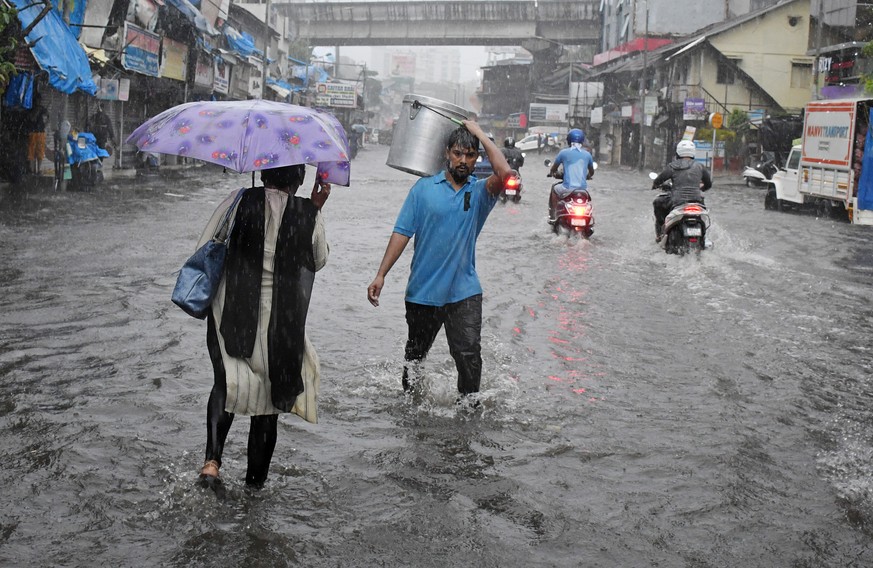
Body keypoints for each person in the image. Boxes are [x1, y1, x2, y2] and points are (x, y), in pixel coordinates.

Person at [197, 164, 331, 491]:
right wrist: (314, 210)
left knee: (224, 384)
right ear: (299, 180)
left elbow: (206, 246)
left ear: (264, 172)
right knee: (267, 407)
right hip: (279, 322)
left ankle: (212, 464)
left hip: (232, 311)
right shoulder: (306, 212)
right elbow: (319, 259)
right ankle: (253, 491)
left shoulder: (238, 200)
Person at [366, 121, 513, 404]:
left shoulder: (481, 192)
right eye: (458, 153)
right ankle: (411, 412)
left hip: (464, 292)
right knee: (414, 360)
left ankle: (468, 412)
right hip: (423, 292)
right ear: (447, 153)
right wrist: (381, 274)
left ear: (476, 159)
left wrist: (480, 134)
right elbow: (402, 233)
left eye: (470, 155)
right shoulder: (422, 189)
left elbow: (505, 173)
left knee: (469, 357)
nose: (463, 160)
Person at [651, 140, 712, 241]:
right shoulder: (700, 166)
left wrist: (655, 185)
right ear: (693, 152)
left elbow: (658, 180)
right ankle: (704, 238)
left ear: (678, 152)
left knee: (657, 203)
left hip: (677, 202)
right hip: (697, 201)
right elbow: (708, 184)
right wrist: (700, 189)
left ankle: (660, 234)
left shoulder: (672, 166)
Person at [548, 128, 595, 221]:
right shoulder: (587, 155)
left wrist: (552, 173)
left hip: (567, 188)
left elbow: (554, 168)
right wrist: (588, 176)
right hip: (582, 190)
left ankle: (553, 214)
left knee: (554, 188)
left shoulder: (563, 153)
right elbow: (592, 172)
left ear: (569, 140)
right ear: (582, 140)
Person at [26, 99, 48, 175]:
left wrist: (45, 126)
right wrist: (36, 112)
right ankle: (32, 170)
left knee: (40, 152)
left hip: (40, 133)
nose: (38, 102)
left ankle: (38, 170)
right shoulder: (31, 108)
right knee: (32, 152)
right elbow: (31, 118)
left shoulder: (43, 109)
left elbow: (47, 118)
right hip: (33, 132)